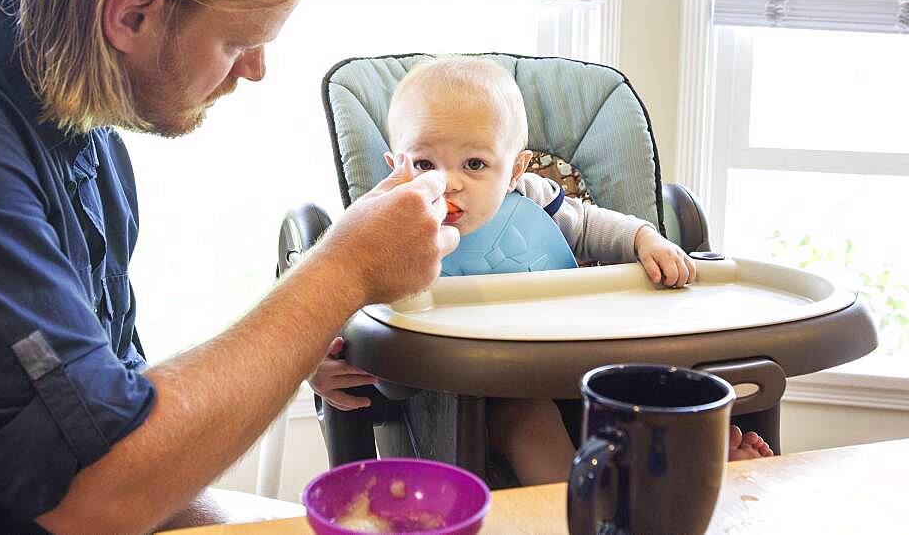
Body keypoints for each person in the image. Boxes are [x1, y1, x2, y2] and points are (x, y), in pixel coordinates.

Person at [0, 0, 460, 533]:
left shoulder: (82, 130)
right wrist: (344, 269)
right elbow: (96, 492)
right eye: (239, 41)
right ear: (133, 13)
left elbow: (119, 429)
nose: (254, 70)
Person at [310, 56, 774, 486]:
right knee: (528, 420)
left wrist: (645, 240)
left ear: (514, 170)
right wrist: (319, 361)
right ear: (395, 168)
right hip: (466, 396)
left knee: (642, 391)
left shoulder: (532, 199)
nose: (448, 181)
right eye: (425, 163)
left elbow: (594, 225)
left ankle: (695, 474)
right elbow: (341, 295)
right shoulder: (387, 226)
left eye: (474, 164)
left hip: (573, 363)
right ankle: (582, 507)